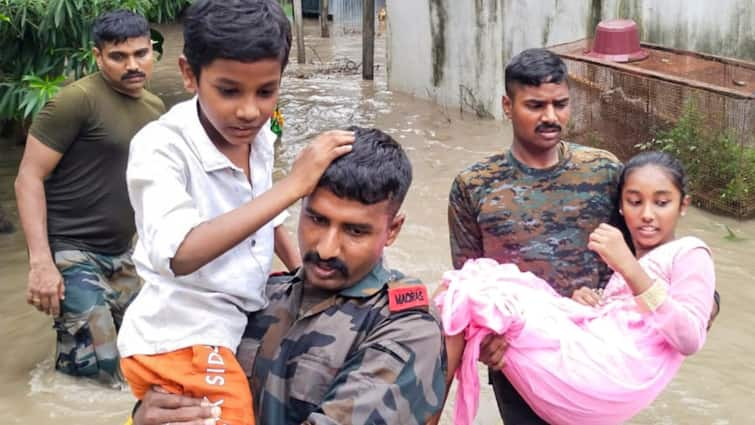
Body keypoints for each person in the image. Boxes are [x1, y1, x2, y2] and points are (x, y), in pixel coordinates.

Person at [116, 2, 354, 424]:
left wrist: (306, 276)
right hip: (182, 335)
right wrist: (294, 185)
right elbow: (181, 254)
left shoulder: (256, 136)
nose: (249, 111)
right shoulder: (160, 148)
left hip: (229, 320)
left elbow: (266, 217)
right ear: (189, 74)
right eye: (229, 91)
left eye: (266, 91)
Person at [128, 127, 447, 425]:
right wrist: (146, 415)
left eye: (355, 230)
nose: (325, 249)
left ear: (392, 230)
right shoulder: (256, 295)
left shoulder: (406, 327)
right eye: (317, 219)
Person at [437, 150, 717, 425]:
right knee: (466, 293)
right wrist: (587, 306)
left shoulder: (686, 252)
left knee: (469, 291)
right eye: (634, 202)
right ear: (620, 205)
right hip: (554, 367)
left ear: (683, 205)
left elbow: (690, 336)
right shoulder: (474, 182)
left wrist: (630, 268)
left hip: (599, 374)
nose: (646, 214)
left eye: (662, 202)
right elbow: (624, 321)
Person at [445, 48, 622, 423]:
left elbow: (642, 260)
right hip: (518, 362)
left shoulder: (604, 173)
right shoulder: (473, 186)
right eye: (535, 105)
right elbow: (469, 288)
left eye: (561, 104)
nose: (550, 117)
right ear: (507, 106)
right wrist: (485, 340)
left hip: (596, 353)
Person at [14, 10, 164, 384]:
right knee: (99, 370)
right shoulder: (75, 101)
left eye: (141, 53)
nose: (133, 65)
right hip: (72, 249)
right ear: (98, 56)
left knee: (142, 356)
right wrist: (41, 264)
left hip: (121, 253)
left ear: (153, 52)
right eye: (118, 57)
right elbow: (28, 178)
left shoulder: (155, 108)